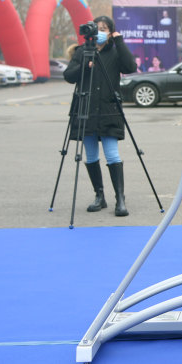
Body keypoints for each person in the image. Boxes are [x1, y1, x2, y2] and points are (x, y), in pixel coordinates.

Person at [63, 16, 138, 217]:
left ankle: (120, 198)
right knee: (91, 155)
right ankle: (99, 196)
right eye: (96, 28)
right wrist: (84, 65)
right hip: (85, 109)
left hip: (108, 109)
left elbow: (130, 67)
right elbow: (69, 76)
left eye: (104, 28)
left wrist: (119, 41)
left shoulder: (115, 51)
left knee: (112, 154)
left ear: (111, 32)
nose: (100, 31)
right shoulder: (82, 52)